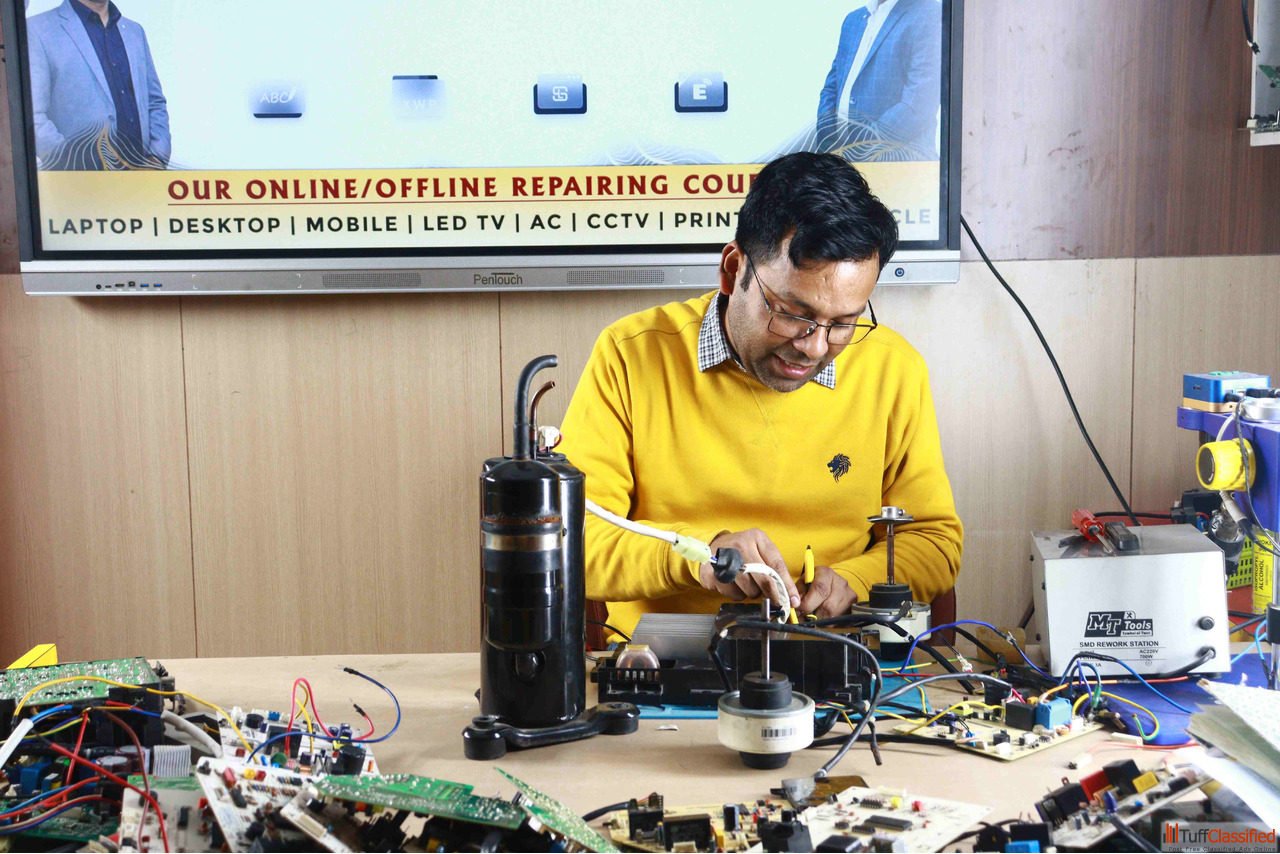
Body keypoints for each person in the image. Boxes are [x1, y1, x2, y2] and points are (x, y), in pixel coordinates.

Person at [558, 152, 962, 637]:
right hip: (665, 657)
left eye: (843, 322)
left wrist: (856, 582)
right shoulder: (630, 357)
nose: (814, 346)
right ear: (733, 270)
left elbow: (933, 539)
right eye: (793, 313)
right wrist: (701, 558)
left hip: (841, 653)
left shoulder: (893, 369)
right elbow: (573, 536)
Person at [27, 0, 170, 168]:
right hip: (80, 179)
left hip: (142, 174)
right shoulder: (38, 29)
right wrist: (68, 164)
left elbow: (154, 102)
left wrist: (157, 157)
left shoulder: (134, 31)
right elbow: (33, 114)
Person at [817, 0, 942, 157]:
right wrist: (829, 147)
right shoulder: (853, 20)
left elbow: (918, 104)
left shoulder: (930, 13)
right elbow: (831, 88)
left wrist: (859, 150)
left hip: (899, 162)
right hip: (840, 162)